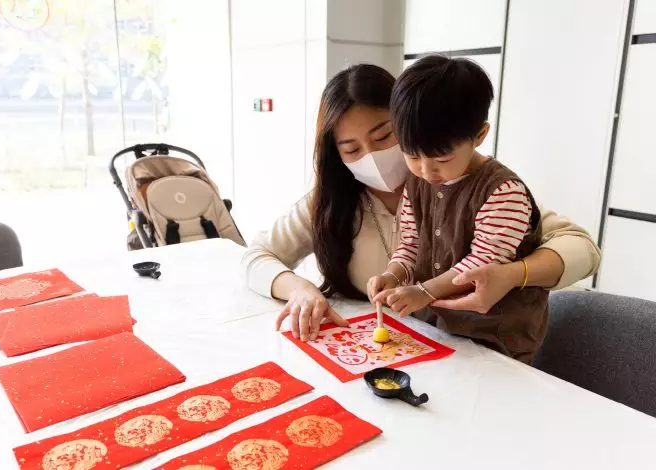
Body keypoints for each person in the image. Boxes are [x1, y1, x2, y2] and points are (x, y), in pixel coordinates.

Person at [241, 63, 600, 344]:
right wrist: (301, 289)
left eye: (384, 136)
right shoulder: (331, 203)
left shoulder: (488, 189)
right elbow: (257, 256)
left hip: (479, 347)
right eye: (351, 149)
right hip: (407, 346)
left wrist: (512, 274)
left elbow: (582, 248)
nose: (372, 156)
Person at [369, 55, 551, 362]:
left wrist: (423, 292)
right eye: (412, 156)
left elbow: (482, 265)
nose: (426, 170)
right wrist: (394, 273)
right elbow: (411, 244)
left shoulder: (503, 192)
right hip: (437, 329)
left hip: (494, 336)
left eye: (442, 160)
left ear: (479, 135)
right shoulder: (416, 183)